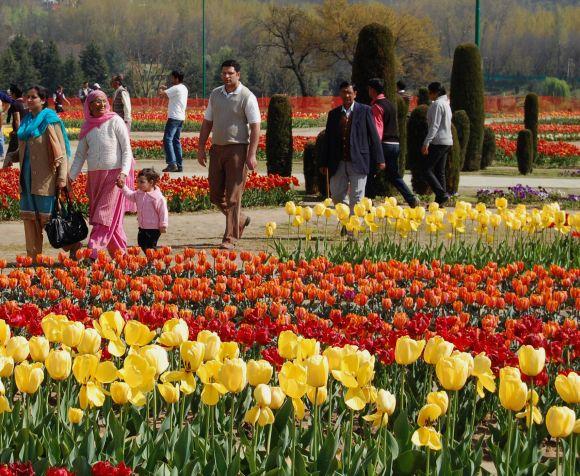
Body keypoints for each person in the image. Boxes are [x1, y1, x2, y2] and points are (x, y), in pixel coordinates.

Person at [7, 86, 79, 260]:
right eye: (27, 97)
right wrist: (11, 156)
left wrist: (62, 178)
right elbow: (25, 150)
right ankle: (33, 257)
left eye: (33, 97)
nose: (29, 100)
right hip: (27, 179)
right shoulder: (26, 123)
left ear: (43, 100)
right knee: (29, 220)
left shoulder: (50, 121)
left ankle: (73, 246)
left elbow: (61, 151)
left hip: (46, 179)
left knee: (50, 220)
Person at [197, 59, 260, 250]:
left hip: (237, 150)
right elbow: (207, 121)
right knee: (215, 195)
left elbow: (256, 126)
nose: (226, 76)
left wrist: (252, 154)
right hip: (217, 148)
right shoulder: (216, 94)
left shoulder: (247, 96)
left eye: (230, 73)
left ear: (238, 75)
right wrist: (201, 147)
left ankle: (230, 237)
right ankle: (239, 219)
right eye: (224, 73)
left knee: (233, 196)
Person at [68, 90, 133, 259]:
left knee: (102, 218)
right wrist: (70, 178)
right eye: (97, 101)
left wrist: (124, 174)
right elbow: (80, 156)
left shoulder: (115, 121)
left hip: (114, 177)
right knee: (111, 220)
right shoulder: (87, 126)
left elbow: (127, 150)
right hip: (94, 179)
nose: (102, 104)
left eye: (104, 101)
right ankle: (122, 257)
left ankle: (93, 251)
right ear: (89, 105)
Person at [319, 81, 384, 215]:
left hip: (359, 161)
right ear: (340, 94)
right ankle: (346, 219)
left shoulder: (365, 111)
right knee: (336, 195)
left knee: (357, 197)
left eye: (349, 92)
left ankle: (352, 229)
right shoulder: (334, 114)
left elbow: (374, 136)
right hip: (338, 162)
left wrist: (380, 159)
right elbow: (328, 140)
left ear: (355, 94)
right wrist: (323, 162)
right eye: (344, 92)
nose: (347, 95)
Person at [368, 78, 418, 207]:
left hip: (383, 144)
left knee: (368, 172)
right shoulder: (390, 104)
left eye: (369, 89)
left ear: (372, 90)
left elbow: (377, 130)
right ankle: (411, 199)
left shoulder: (376, 106)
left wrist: (375, 149)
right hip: (395, 144)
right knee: (393, 175)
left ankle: (368, 202)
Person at [117, 168, 168, 252]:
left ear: (151, 182)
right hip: (142, 226)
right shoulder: (138, 194)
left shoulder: (157, 198)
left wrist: (163, 224)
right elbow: (130, 195)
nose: (139, 184)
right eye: (138, 182)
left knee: (150, 246)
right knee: (141, 243)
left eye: (142, 182)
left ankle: (152, 262)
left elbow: (163, 212)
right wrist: (123, 187)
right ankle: (151, 261)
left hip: (154, 228)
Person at [421, 82, 453, 206]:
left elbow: (434, 125)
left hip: (439, 141)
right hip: (447, 141)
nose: (429, 95)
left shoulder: (438, 104)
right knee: (440, 171)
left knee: (426, 169)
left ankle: (441, 194)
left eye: (430, 92)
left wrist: (426, 142)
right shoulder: (446, 103)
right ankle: (440, 202)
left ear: (436, 92)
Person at [158, 70, 188, 172]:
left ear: (176, 78)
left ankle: (172, 163)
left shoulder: (176, 88)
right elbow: (171, 92)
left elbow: (161, 94)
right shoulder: (183, 88)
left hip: (174, 117)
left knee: (167, 139)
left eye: (172, 77)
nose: (171, 79)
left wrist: (161, 88)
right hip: (180, 117)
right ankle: (179, 165)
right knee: (176, 140)